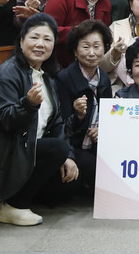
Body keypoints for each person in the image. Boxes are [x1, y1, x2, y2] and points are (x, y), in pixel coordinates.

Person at [0, 14, 80, 226]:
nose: (40, 44)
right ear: (21, 41)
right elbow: (6, 121)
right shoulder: (6, 73)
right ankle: (13, 205)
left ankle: (23, 195)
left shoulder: (47, 76)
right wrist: (28, 105)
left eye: (47, 39)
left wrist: (68, 156)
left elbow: (57, 123)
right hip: (5, 150)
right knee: (56, 149)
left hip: (29, 146)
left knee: (72, 179)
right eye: (34, 37)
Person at [55, 19, 113, 191]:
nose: (92, 53)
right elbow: (61, 127)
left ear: (105, 48)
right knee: (99, 170)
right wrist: (79, 116)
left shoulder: (104, 78)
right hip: (73, 147)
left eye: (97, 46)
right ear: (75, 50)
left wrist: (102, 129)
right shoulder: (64, 78)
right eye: (85, 47)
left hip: (97, 144)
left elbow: (108, 116)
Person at [44, 0, 115, 68]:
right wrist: (78, 32)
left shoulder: (106, 5)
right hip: (59, 65)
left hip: (90, 65)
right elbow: (47, 31)